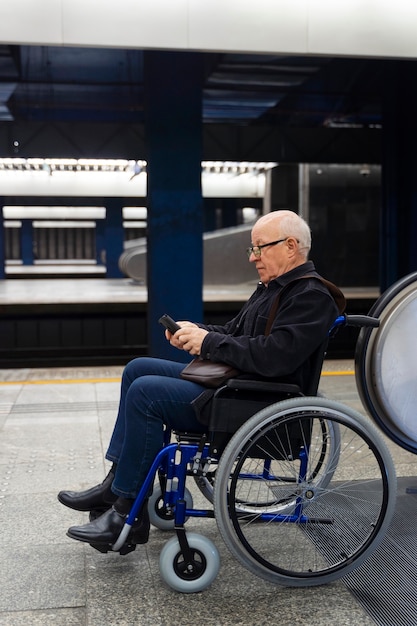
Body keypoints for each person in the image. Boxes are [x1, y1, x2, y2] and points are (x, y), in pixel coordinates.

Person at [58, 209, 344, 549]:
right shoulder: (273, 288)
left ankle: (125, 514)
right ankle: (116, 484)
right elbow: (235, 334)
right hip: (236, 387)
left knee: (146, 393)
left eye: (259, 248)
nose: (253, 257)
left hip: (254, 400)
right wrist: (195, 331)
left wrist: (209, 343)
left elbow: (274, 356)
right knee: (137, 368)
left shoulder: (311, 296)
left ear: (291, 246)